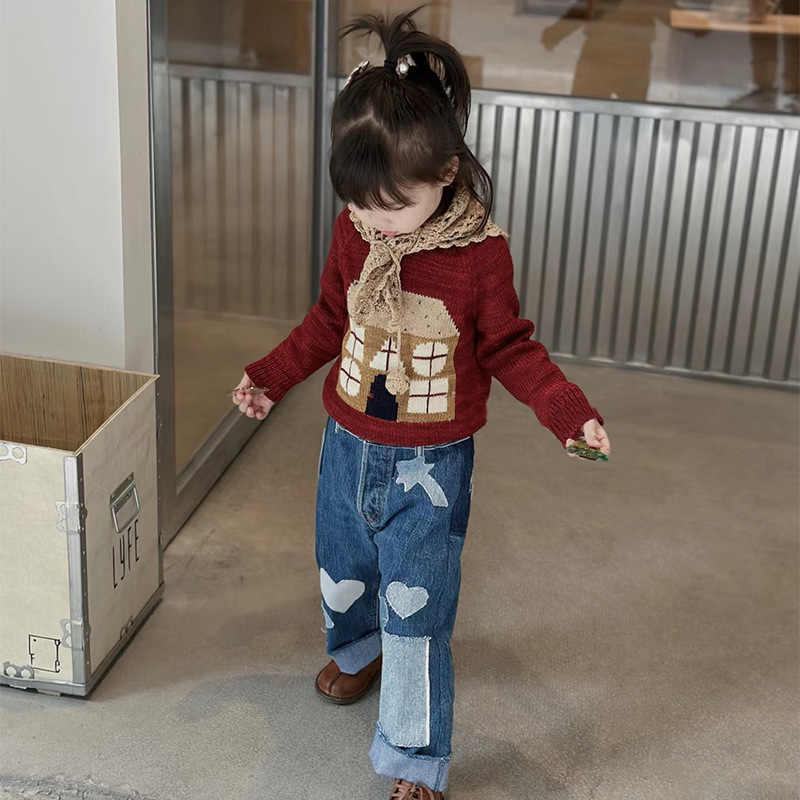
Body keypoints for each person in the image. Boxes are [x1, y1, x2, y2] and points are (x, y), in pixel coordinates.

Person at [233, 10, 611, 799]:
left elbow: (510, 347)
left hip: (429, 469)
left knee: (418, 607)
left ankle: (414, 756)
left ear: (445, 172)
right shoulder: (356, 231)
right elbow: (329, 320)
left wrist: (566, 410)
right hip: (345, 448)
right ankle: (357, 650)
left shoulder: (479, 256)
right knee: (342, 573)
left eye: (391, 207)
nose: (375, 223)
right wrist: (269, 375)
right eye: (360, 205)